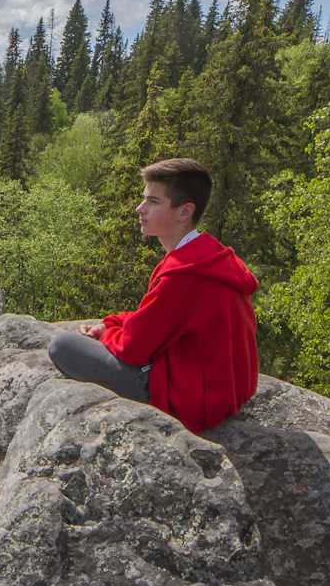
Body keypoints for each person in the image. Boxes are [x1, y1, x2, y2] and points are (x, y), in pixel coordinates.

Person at [46, 157, 258, 433]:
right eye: (144, 199)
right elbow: (159, 319)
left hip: (189, 403)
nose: (140, 208)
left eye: (153, 202)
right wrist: (116, 322)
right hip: (221, 394)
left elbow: (133, 349)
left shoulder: (184, 275)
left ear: (184, 212)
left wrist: (105, 332)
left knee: (62, 346)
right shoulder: (210, 258)